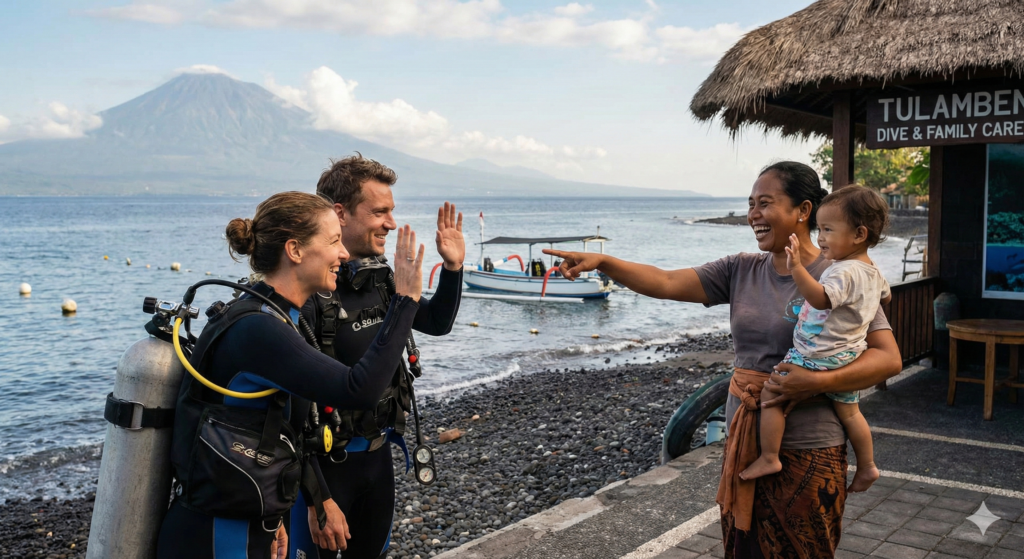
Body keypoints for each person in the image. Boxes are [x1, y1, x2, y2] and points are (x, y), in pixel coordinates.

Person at [544, 162, 902, 558]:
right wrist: (605, 263)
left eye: (765, 203)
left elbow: (887, 359)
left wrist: (816, 383)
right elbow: (665, 282)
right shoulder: (740, 269)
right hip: (745, 442)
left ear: (803, 210)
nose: (753, 214)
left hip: (811, 447)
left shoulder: (841, 275)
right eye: (750, 204)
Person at [156, 191, 426, 559]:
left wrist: (275, 514)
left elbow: (282, 431)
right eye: (333, 241)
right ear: (295, 251)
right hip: (218, 536)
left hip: (246, 525)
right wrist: (405, 301)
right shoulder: (257, 329)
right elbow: (358, 388)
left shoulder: (280, 318)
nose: (344, 253)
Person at [296, 154, 464, 559]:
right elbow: (290, 411)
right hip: (324, 470)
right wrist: (318, 499)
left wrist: (454, 267)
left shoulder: (381, 279)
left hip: (378, 459)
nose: (391, 222)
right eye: (380, 212)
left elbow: (437, 323)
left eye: (392, 211)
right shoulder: (310, 295)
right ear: (341, 214)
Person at [740, 185, 891, 494]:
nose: (820, 237)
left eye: (827, 230)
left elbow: (820, 299)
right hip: (848, 354)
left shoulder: (843, 271)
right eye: (819, 229)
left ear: (859, 234)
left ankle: (769, 456)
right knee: (851, 413)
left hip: (816, 355)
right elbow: (885, 297)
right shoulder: (872, 271)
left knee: (772, 393)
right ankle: (867, 466)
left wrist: (796, 268)